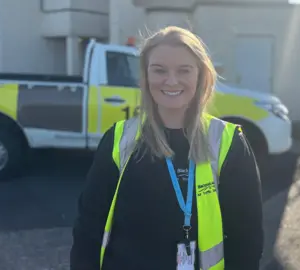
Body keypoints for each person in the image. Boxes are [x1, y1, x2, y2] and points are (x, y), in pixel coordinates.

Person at [70, 26, 264, 270]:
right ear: (145, 76)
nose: (171, 81)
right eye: (159, 70)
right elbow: (88, 226)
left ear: (201, 76)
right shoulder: (119, 138)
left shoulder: (228, 142)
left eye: (184, 70)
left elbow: (246, 240)